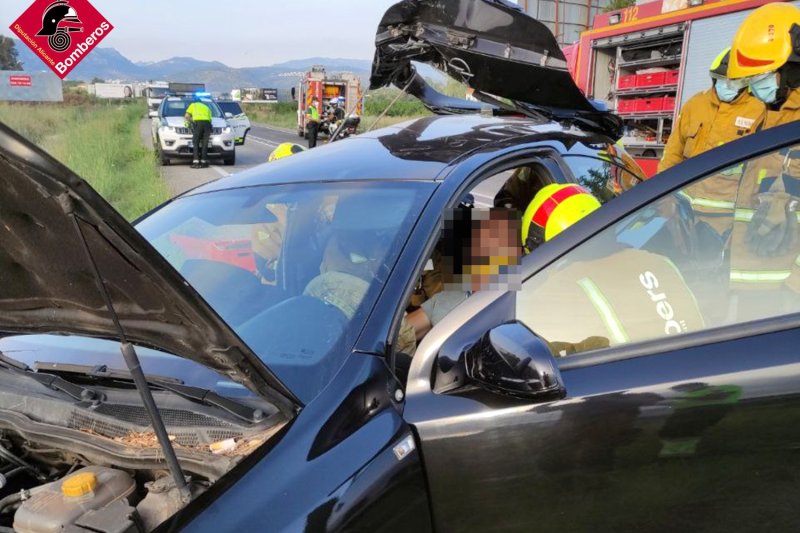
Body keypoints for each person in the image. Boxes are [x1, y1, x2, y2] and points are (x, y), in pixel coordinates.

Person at [517, 185, 706, 356]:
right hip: (703, 376)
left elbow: (544, 370)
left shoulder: (555, 292)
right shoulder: (660, 262)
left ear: (540, 245)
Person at [724, 3, 800, 297]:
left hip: (784, 295)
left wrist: (793, 286)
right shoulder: (767, 116)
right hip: (752, 277)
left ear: (792, 68)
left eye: (760, 78)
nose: (755, 89)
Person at [659, 48, 765, 236]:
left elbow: (760, 169)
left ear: (746, 81)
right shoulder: (696, 104)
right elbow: (673, 152)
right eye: (721, 79)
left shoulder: (759, 109)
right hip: (683, 210)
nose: (726, 85)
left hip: (725, 219)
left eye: (733, 80)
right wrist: (661, 197)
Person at [184, 96, 213, 169]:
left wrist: (191, 122)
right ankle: (204, 163)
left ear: (195, 101)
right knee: (205, 143)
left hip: (198, 123)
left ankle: (196, 162)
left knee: (196, 142)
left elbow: (187, 116)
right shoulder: (206, 107)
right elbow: (210, 119)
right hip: (207, 125)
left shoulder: (193, 105)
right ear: (201, 102)